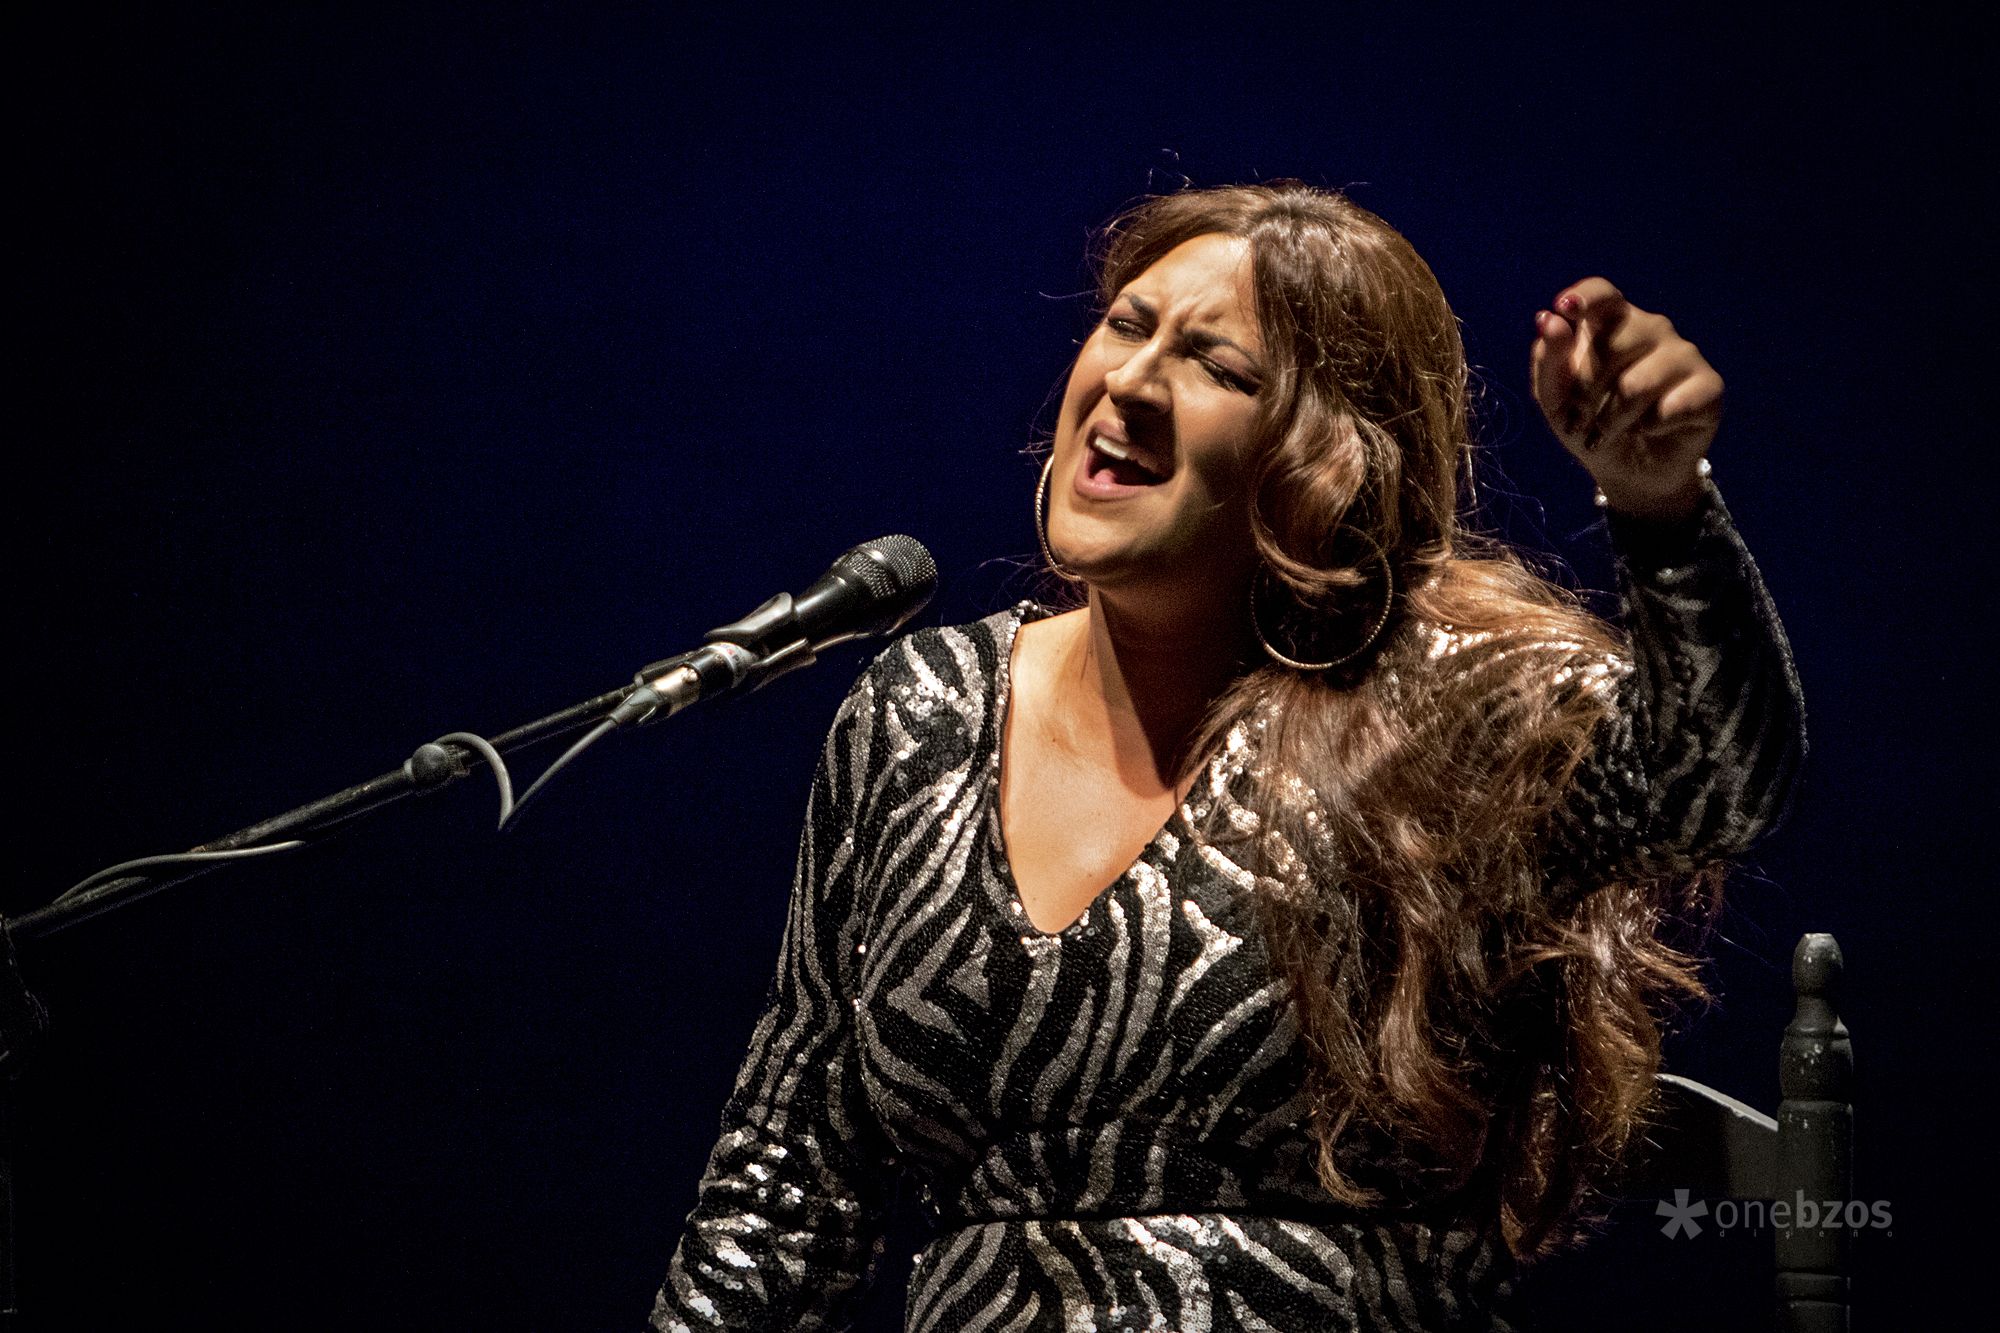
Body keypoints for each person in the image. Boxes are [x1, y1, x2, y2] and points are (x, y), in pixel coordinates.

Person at [648, 181, 1805, 1332]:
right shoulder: (921, 710)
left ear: (1330, 461)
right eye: (1125, 325)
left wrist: (1659, 507)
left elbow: (1718, 782)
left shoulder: (1448, 710)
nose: (1132, 383)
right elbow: (786, 1179)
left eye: (1218, 367)